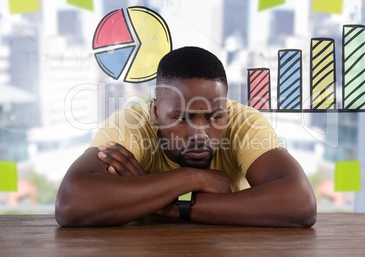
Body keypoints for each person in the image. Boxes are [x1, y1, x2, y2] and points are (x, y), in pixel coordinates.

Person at [55, 46, 317, 227]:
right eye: (182, 118)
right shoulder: (132, 124)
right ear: (156, 111)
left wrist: (168, 205)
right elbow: (70, 203)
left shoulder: (243, 122)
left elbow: (300, 203)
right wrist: (192, 177)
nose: (200, 135)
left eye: (215, 117)